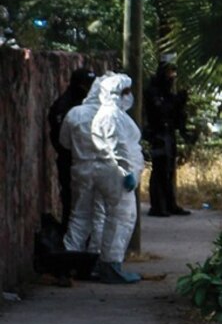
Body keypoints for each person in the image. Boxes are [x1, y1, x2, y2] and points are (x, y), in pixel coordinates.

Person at [63, 72, 144, 284]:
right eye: (125, 91)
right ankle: (105, 263)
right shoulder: (111, 115)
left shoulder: (78, 113)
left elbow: (64, 142)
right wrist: (128, 173)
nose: (129, 95)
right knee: (117, 218)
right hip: (112, 173)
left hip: (83, 168)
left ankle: (71, 261)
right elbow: (119, 147)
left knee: (82, 217)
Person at [48, 68, 97, 227]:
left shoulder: (87, 105)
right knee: (73, 207)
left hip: (87, 162)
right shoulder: (65, 106)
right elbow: (61, 140)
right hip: (71, 162)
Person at [145, 55, 191, 217]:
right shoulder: (153, 91)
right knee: (159, 170)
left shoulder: (167, 91)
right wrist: (177, 101)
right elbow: (161, 110)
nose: (172, 76)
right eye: (169, 72)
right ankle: (157, 206)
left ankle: (170, 204)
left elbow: (175, 114)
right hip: (157, 134)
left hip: (168, 134)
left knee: (169, 170)